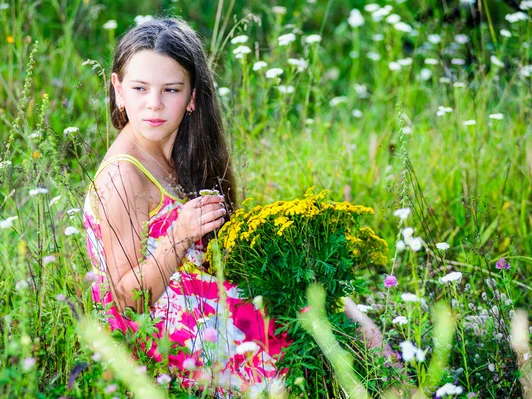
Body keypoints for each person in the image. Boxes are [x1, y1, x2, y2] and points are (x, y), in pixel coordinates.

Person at [83, 17, 390, 397]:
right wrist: (179, 236)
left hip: (198, 296)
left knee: (325, 303)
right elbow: (128, 301)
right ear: (118, 89)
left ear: (193, 96)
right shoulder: (123, 177)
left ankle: (401, 386)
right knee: (301, 353)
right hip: (162, 330)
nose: (154, 104)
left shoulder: (178, 152)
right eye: (140, 88)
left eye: (171, 89)